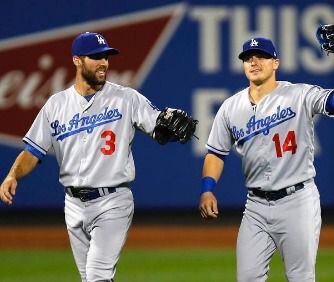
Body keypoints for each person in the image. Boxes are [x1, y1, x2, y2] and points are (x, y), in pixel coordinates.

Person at [0, 31, 196, 282]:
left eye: (106, 56)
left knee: (97, 276)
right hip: (72, 204)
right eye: (96, 57)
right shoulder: (56, 105)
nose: (104, 62)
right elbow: (33, 151)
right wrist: (12, 175)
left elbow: (158, 128)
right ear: (77, 60)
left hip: (112, 201)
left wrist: (168, 128)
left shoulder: (126, 98)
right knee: (90, 279)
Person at [199, 36, 334, 281]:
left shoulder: (299, 94)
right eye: (248, 58)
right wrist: (208, 188)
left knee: (301, 277)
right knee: (247, 277)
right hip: (255, 207)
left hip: (297, 202)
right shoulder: (230, 107)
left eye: (261, 56)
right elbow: (216, 153)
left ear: (276, 63)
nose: (254, 61)